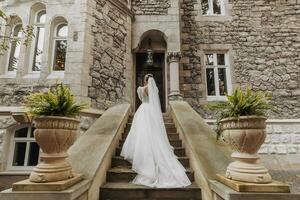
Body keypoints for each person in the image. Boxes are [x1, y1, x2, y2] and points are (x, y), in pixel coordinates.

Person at [121, 73, 191, 188]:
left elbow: (141, 99)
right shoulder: (154, 89)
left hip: (143, 110)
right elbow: (154, 101)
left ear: (145, 80)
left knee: (141, 133)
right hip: (151, 112)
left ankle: (141, 155)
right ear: (152, 81)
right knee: (152, 132)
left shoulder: (140, 89)